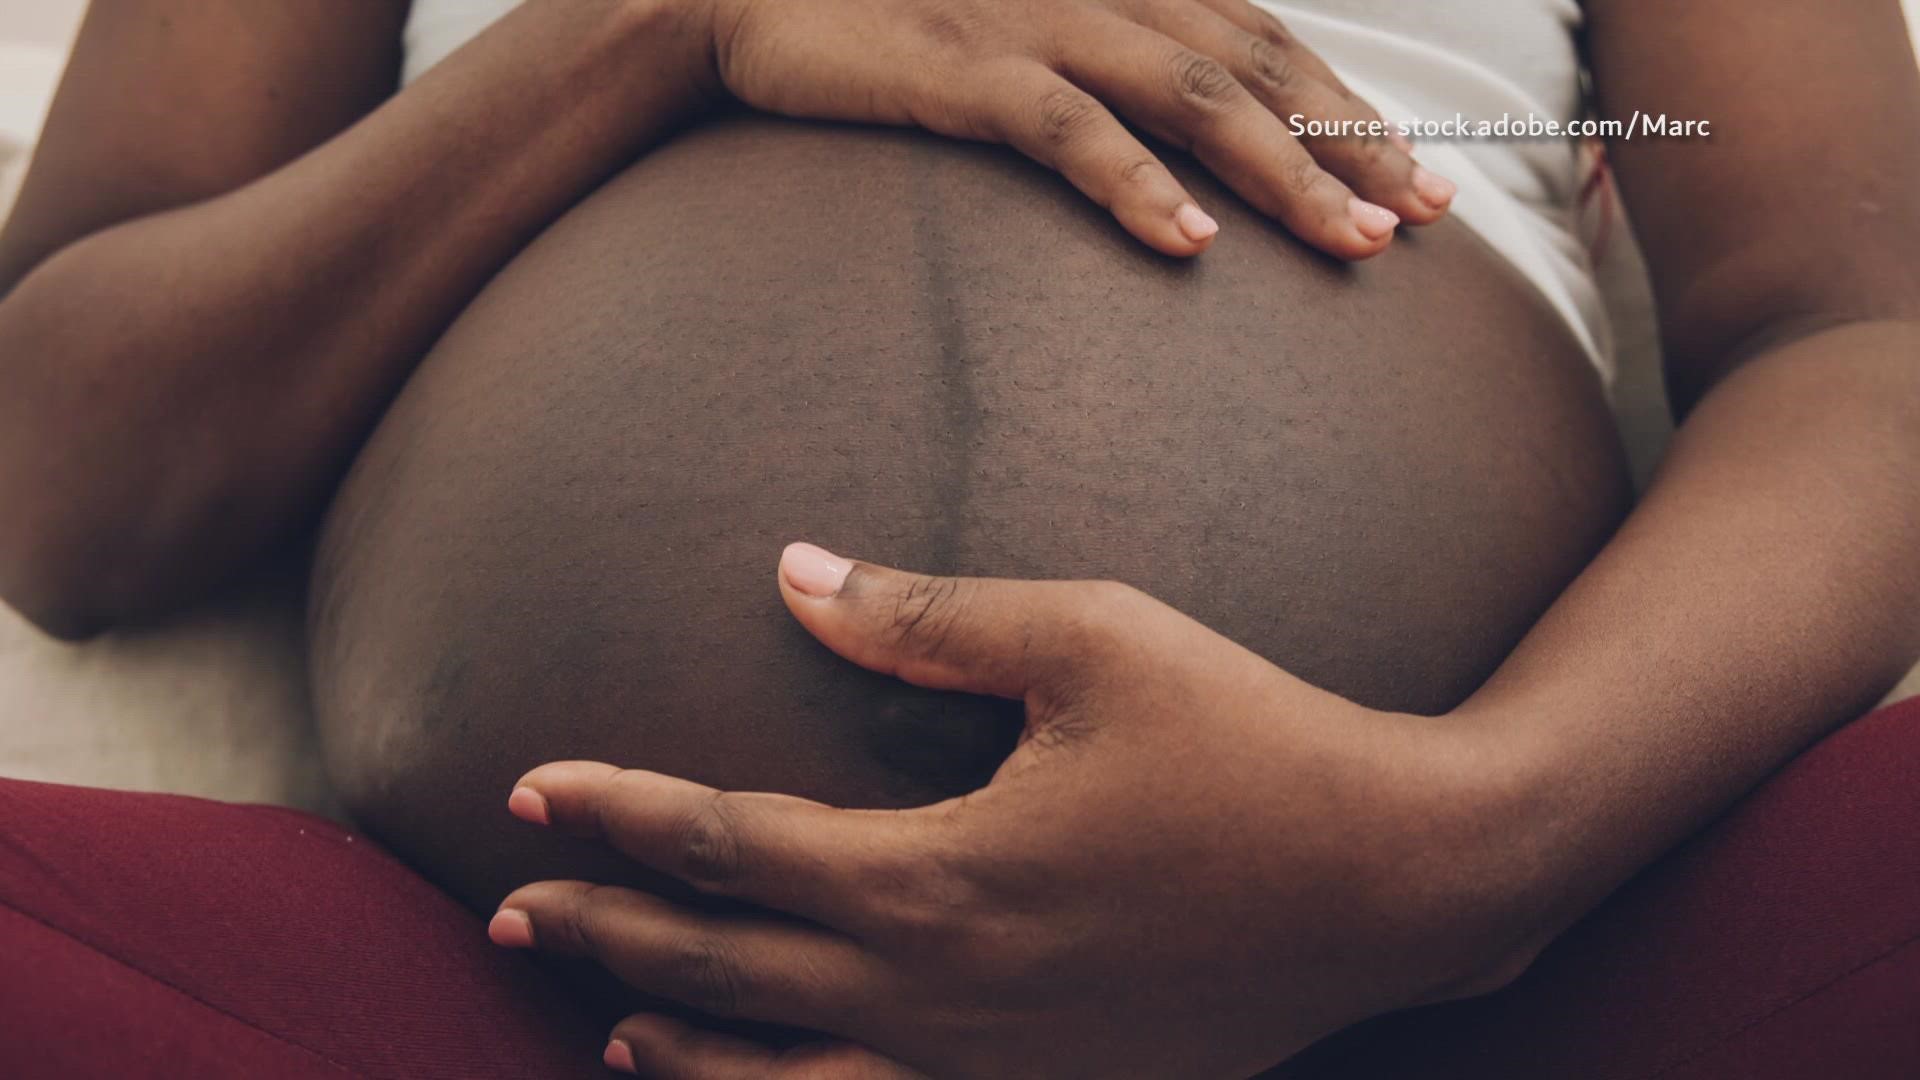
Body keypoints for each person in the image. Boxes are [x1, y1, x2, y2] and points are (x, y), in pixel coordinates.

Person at [0, 0, 1915, 1077]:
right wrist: (668, 30)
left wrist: (1476, 850)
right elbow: (55, 471)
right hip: (517, 1006)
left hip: (1462, 1004)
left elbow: (1865, 330)